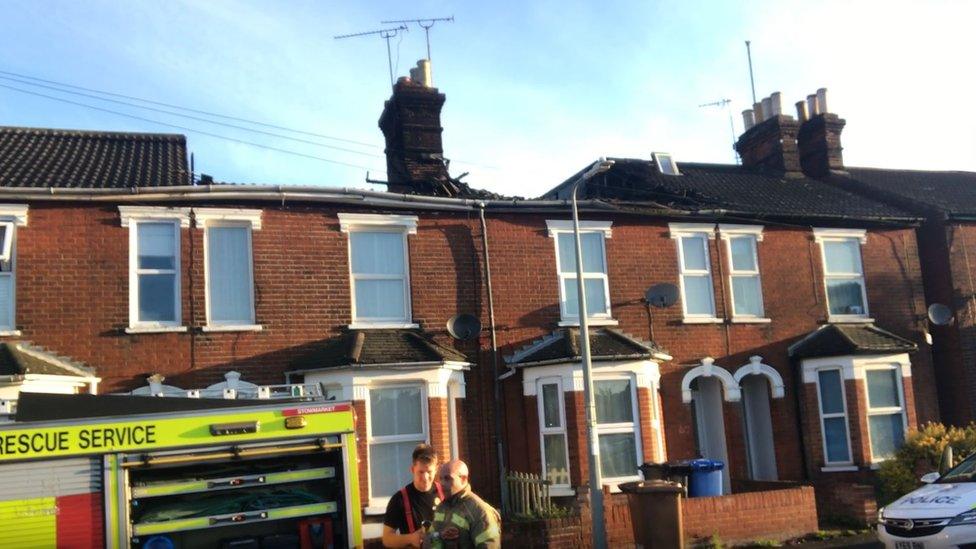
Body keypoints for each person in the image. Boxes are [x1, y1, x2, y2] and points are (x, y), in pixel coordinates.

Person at [426, 460, 501, 549]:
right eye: (440, 478)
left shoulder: (481, 512)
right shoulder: (441, 507)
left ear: (463, 479)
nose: (442, 483)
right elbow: (430, 540)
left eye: (447, 478)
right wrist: (440, 535)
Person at [382, 443, 445, 548]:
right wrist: (411, 538)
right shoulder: (399, 499)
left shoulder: (445, 493)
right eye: (420, 472)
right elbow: (387, 539)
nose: (425, 477)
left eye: (429, 472)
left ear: (436, 469)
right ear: (412, 469)